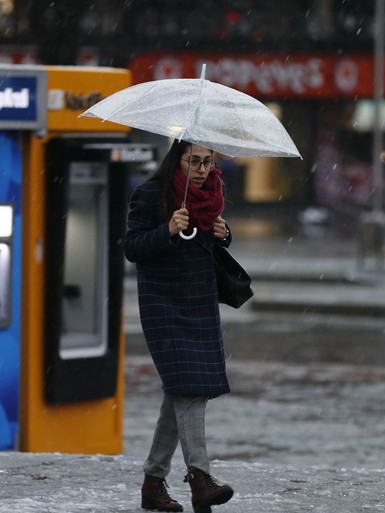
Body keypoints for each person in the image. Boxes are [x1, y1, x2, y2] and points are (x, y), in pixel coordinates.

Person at [125, 140, 235, 513]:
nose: (203, 170)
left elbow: (206, 248)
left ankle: (153, 482)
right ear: (178, 160)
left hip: (199, 306)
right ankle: (200, 478)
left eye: (208, 162)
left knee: (184, 391)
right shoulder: (150, 195)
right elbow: (132, 248)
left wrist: (224, 234)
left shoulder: (212, 196)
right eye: (195, 162)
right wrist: (167, 229)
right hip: (163, 307)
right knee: (189, 388)